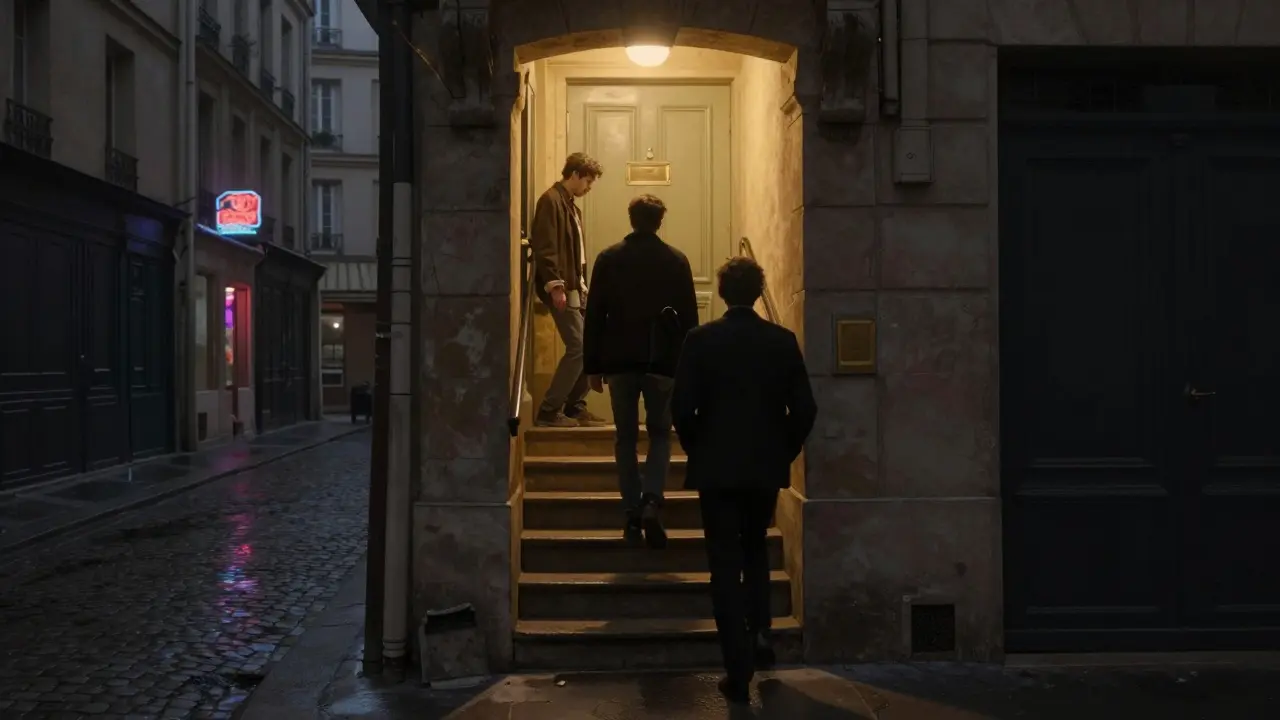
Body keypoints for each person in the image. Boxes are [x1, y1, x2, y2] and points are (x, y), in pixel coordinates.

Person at [671, 256, 817, 704]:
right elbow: (805, 410)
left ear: (721, 292)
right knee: (755, 550)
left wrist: (702, 450)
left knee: (723, 563)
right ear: (758, 292)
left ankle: (738, 668)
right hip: (762, 468)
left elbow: (682, 409)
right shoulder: (781, 340)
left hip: (717, 469)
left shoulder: (700, 341)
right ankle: (761, 633)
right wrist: (781, 451)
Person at [583, 194, 699, 548]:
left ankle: (631, 510)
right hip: (663, 362)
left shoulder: (609, 258)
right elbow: (689, 321)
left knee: (626, 437)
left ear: (631, 219)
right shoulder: (676, 261)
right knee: (662, 434)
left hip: (619, 362)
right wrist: (689, 367)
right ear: (660, 221)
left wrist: (592, 367)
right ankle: (652, 498)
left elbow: (595, 316)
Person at [529, 152, 609, 428]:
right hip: (562, 286)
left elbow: (577, 253)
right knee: (578, 347)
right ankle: (549, 411)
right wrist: (555, 286)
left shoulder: (572, 207)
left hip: (576, 286)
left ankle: (575, 406)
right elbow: (546, 245)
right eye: (587, 181)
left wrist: (580, 286)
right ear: (574, 174)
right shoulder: (550, 201)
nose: (588, 187)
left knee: (591, 345)